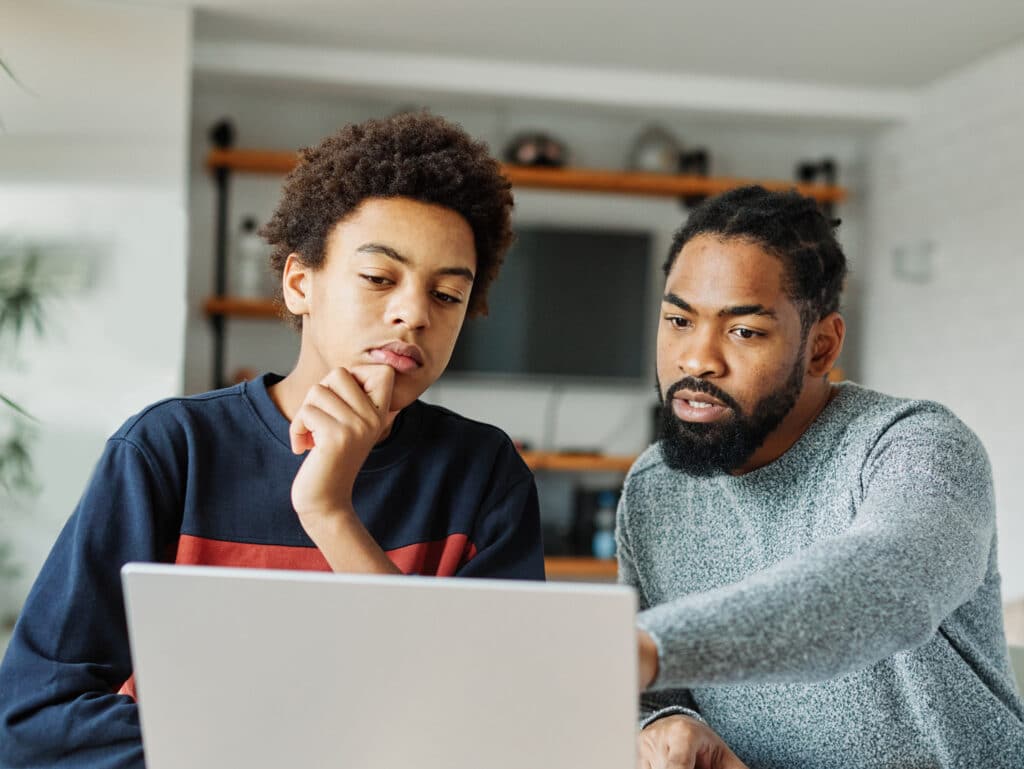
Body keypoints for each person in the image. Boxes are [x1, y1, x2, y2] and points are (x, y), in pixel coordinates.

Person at [0, 112, 545, 769]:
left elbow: (496, 726)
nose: (414, 313)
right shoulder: (170, 451)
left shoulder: (484, 475)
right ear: (298, 282)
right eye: (379, 278)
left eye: (448, 293)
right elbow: (36, 716)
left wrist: (331, 513)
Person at [620, 186, 1024, 768]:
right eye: (679, 319)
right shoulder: (654, 486)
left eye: (744, 331)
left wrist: (655, 647)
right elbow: (657, 695)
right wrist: (668, 720)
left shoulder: (914, 446)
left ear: (822, 346)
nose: (696, 359)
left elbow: (880, 585)